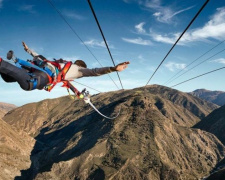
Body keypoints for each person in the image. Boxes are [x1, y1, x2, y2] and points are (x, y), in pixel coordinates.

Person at [0, 42, 130, 91]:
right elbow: (40, 57)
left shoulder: (74, 69)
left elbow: (40, 57)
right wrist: (28, 50)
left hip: (40, 74)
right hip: (40, 74)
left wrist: (113, 69)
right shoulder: (70, 68)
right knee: (20, 81)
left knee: (17, 79)